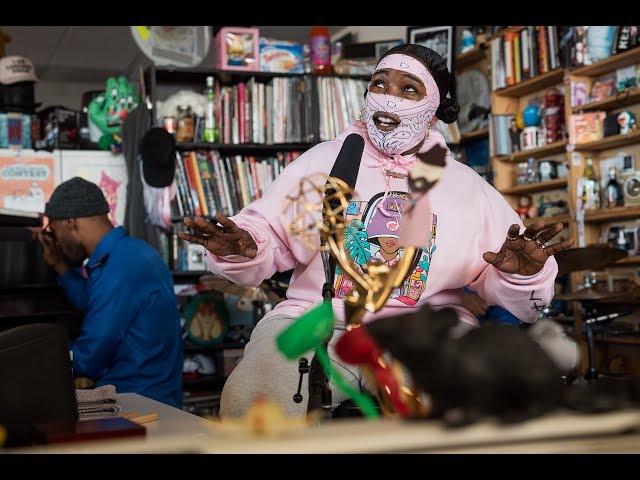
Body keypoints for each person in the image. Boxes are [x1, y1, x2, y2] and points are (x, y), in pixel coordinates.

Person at [180, 44, 574, 418]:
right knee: (258, 388)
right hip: (318, 316)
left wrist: (522, 274)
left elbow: (523, 303)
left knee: (463, 398)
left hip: (428, 327)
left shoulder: (468, 187)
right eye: (380, 83)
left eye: (408, 89)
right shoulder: (322, 162)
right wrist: (244, 245)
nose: (388, 97)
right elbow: (269, 235)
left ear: (433, 108)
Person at [37, 177, 183, 408]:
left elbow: (90, 356)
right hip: (151, 396)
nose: (58, 242)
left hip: (140, 404)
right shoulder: (127, 253)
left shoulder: (121, 267)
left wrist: (29, 362)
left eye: (54, 232)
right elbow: (94, 303)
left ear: (70, 223)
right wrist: (60, 265)